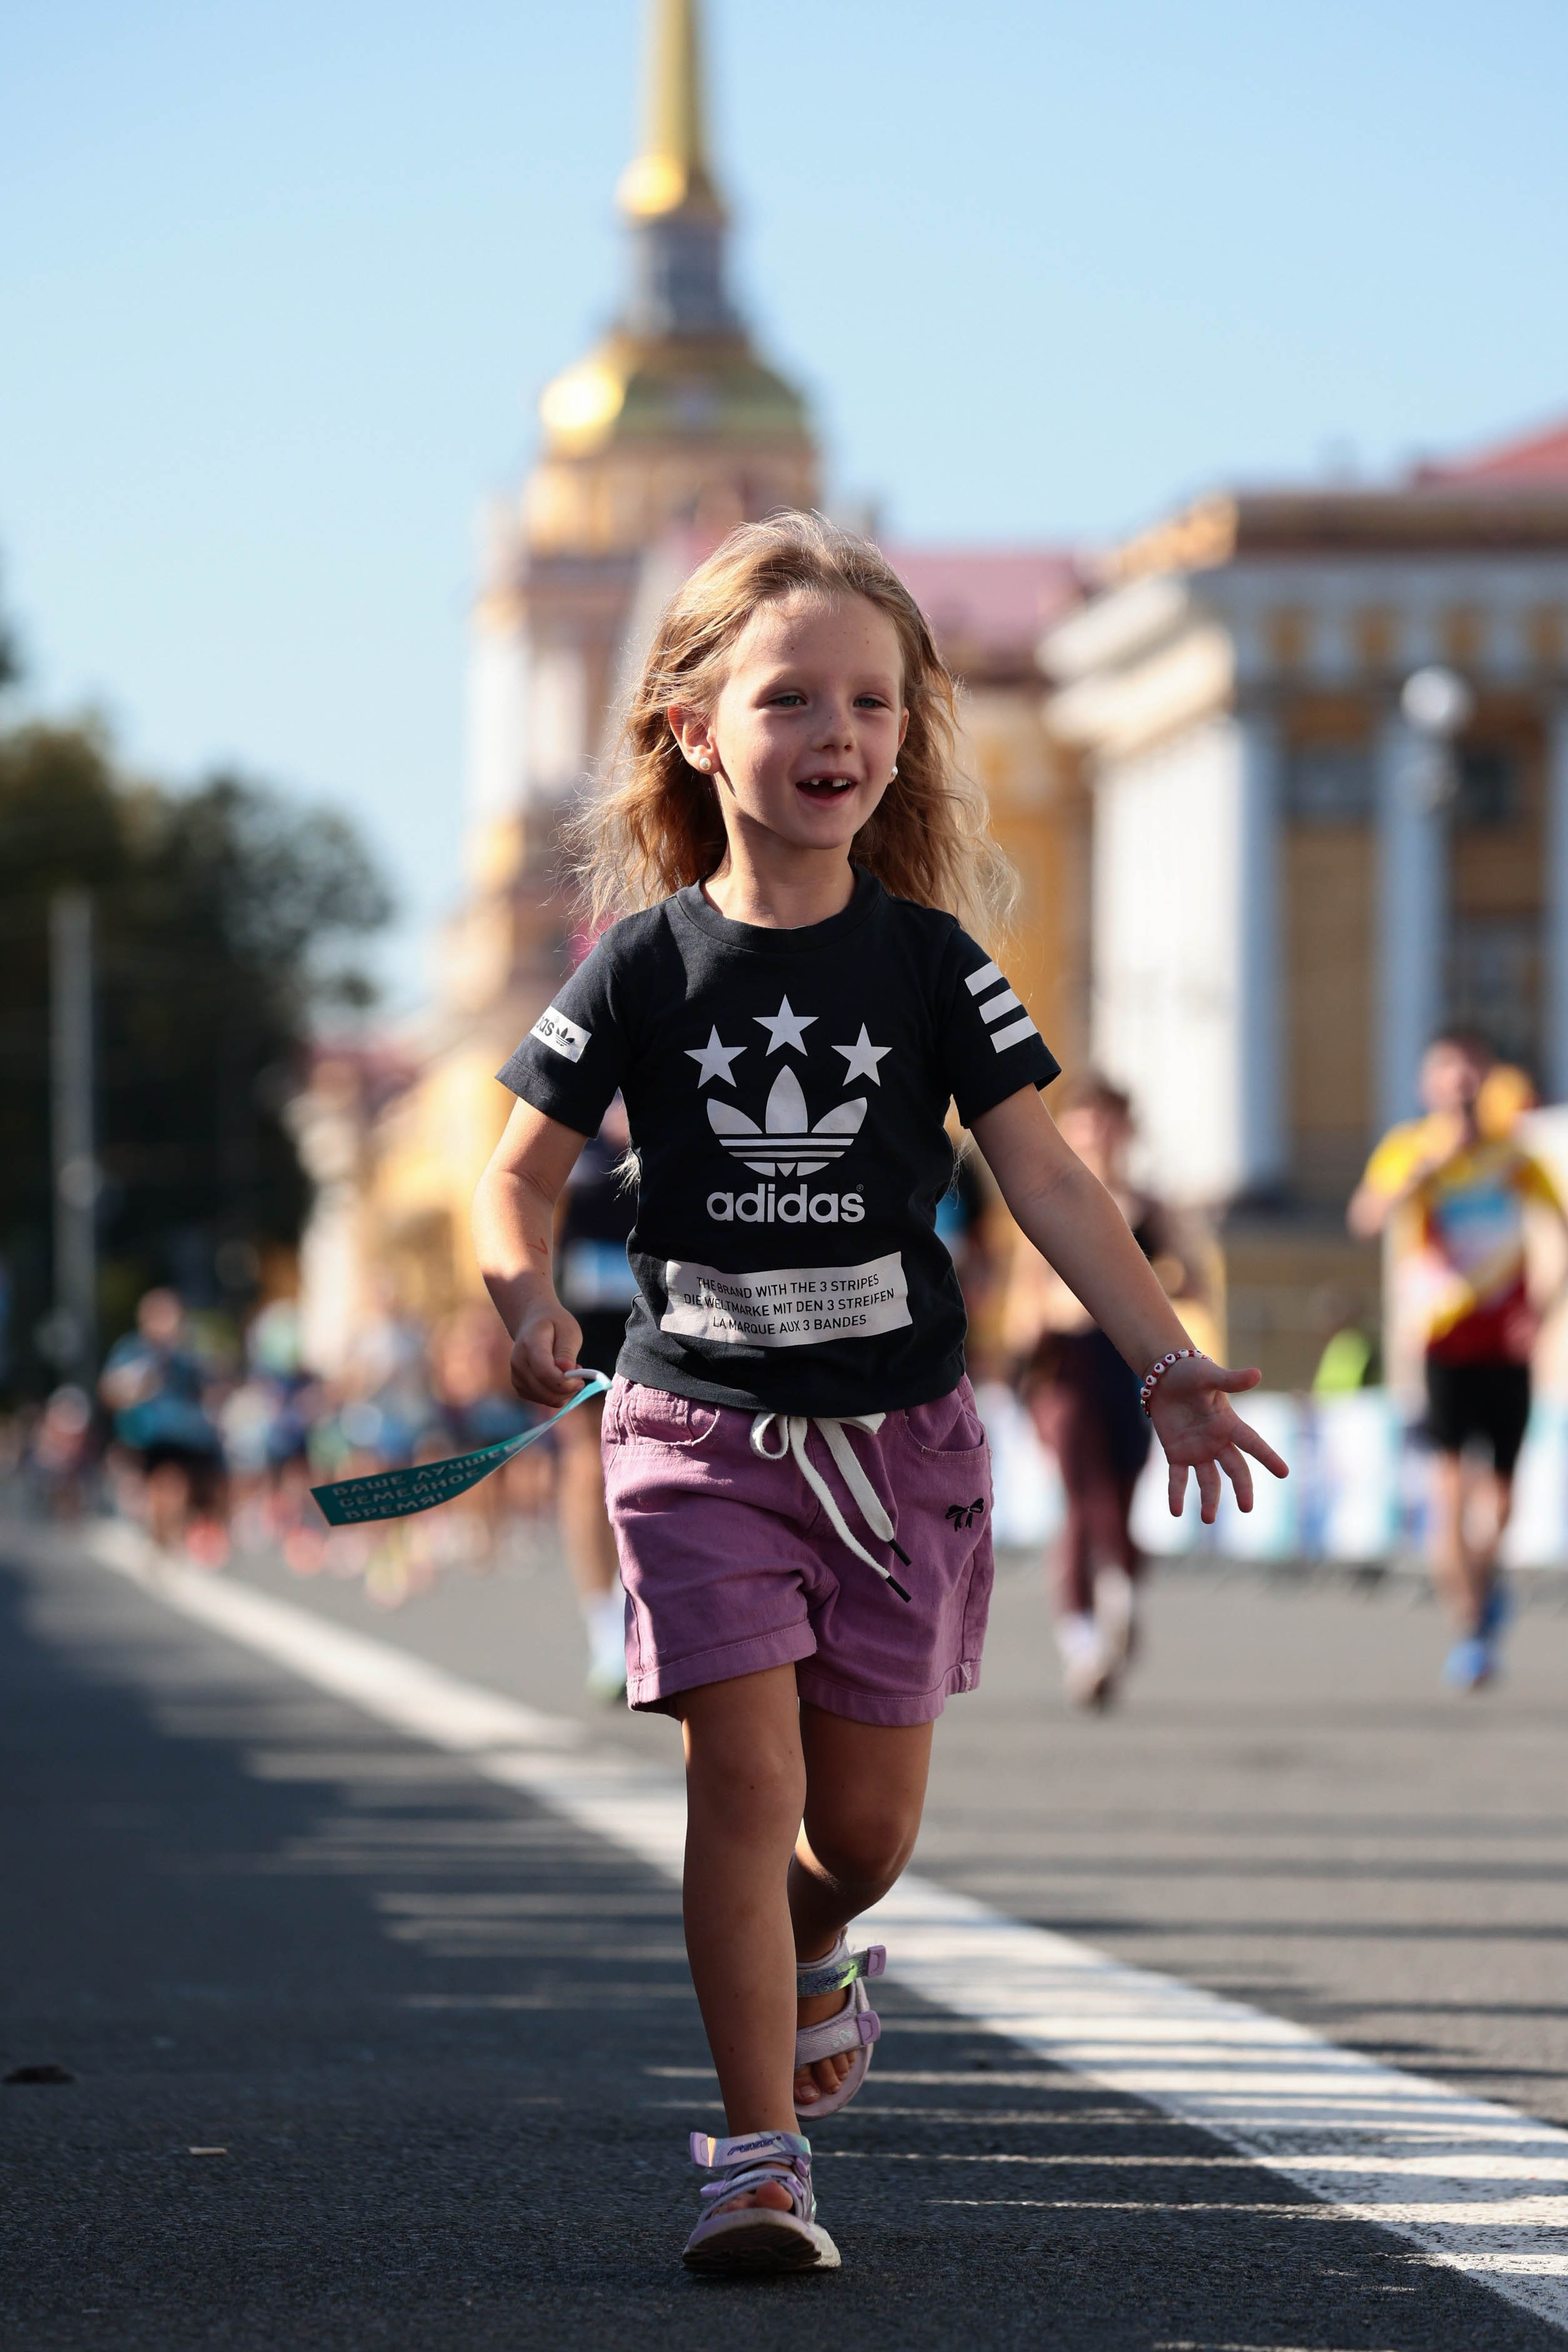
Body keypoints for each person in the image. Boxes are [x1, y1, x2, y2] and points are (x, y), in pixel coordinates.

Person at [471, 514, 1287, 2277]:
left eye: (870, 699)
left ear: (905, 732)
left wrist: (1164, 1362)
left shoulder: (931, 964)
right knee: (741, 1788)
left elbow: (1048, 1182)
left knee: (862, 1834)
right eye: (789, 698)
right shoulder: (639, 964)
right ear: (694, 725)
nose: (835, 732)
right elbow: (512, 1174)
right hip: (696, 1431)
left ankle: (819, 1948)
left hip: (899, 1446)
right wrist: (520, 1288)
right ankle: (755, 2159)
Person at [1349, 1029, 1567, 1689]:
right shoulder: (1409, 1149)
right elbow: (1365, 1218)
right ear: (1428, 1084)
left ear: (1489, 1079)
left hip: (1506, 1345)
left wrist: (1544, 1309)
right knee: (1449, 1494)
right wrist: (1412, 1181)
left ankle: (1485, 1578)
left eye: (1474, 1068)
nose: (1462, 1081)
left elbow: (1560, 1227)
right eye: (1449, 1068)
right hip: (1442, 1342)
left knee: (1499, 1500)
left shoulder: (1513, 1156)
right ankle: (1470, 1629)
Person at [1002, 1075, 1215, 1709]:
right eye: (1085, 1122)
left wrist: (1159, 1287)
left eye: (1108, 1122)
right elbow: (1025, 1294)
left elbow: (1193, 1282)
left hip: (1130, 1364)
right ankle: (1083, 1642)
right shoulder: (1043, 1199)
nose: (1096, 1135)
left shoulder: (1152, 1207)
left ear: (1128, 1130)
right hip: (1066, 1364)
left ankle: (1120, 1592)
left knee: (1118, 1490)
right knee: (1078, 1489)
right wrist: (1022, 1352)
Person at [553, 1098, 640, 1698]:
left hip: (679, 1305)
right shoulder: (582, 1131)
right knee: (589, 1465)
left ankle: (643, 1613)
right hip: (591, 1314)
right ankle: (606, 1631)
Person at [99, 1288, 228, 1563]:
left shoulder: (186, 1355)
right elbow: (111, 1390)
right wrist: (132, 1391)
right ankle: (161, 1539)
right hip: (149, 1434)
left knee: (183, 1486)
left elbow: (206, 1390)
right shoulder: (132, 1351)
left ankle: (170, 1538)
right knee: (161, 1486)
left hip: (186, 1435)